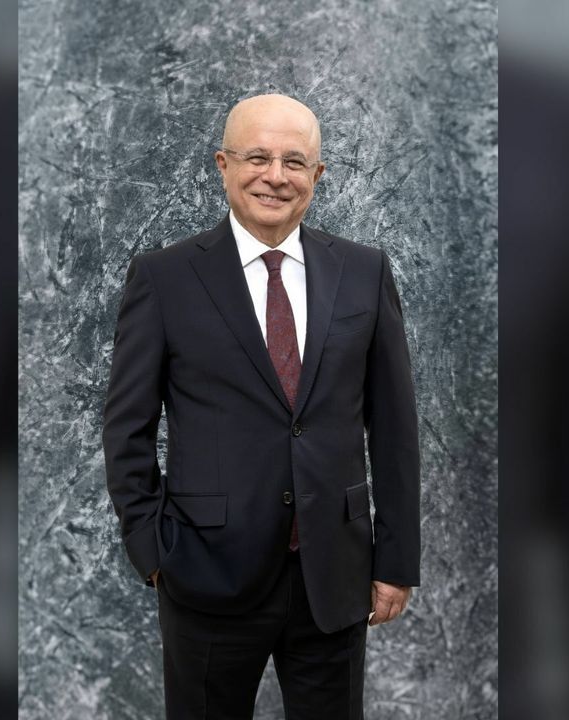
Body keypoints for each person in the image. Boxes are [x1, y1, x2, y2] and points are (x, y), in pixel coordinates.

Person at [102, 94, 422, 719]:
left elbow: (395, 428)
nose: (275, 176)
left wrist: (396, 559)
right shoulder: (164, 279)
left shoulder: (365, 272)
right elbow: (127, 428)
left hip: (335, 575)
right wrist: (153, 550)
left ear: (317, 175)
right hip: (205, 572)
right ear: (222, 164)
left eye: (294, 162)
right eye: (257, 157)